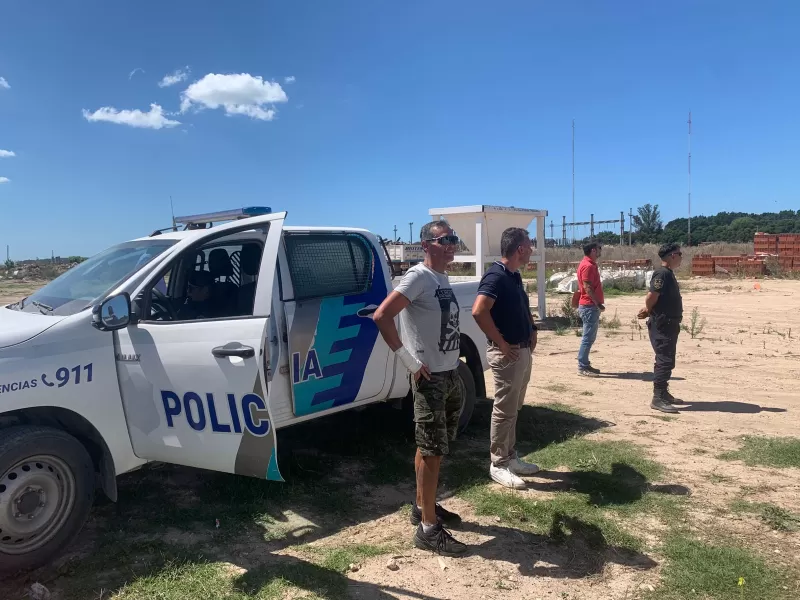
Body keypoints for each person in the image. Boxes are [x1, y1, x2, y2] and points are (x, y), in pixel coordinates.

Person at [373, 220, 467, 557]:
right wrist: (409, 361)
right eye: (444, 240)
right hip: (430, 380)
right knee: (432, 450)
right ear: (426, 245)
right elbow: (382, 316)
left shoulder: (442, 278)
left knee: (432, 448)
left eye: (454, 239)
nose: (452, 245)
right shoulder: (418, 277)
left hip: (449, 374)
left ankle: (422, 507)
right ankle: (428, 530)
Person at [472, 227, 540, 490]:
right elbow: (479, 311)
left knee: (513, 408)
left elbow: (522, 305)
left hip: (521, 351)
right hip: (508, 354)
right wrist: (501, 343)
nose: (532, 249)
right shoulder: (496, 276)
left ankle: (510, 457)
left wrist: (532, 328)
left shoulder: (514, 275)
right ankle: (498, 463)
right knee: (504, 409)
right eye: (529, 245)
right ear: (519, 249)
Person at [638, 243, 684, 414]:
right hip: (663, 324)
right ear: (672, 256)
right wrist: (648, 309)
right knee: (664, 360)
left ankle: (663, 393)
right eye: (680, 254)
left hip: (669, 323)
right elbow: (652, 295)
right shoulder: (662, 273)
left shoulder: (667, 274)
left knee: (667, 360)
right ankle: (657, 398)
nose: (681, 257)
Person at [576, 242, 605, 377]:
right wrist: (597, 303)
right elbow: (587, 287)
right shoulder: (588, 266)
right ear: (593, 250)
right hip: (589, 306)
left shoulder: (589, 264)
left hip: (589, 305)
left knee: (589, 337)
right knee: (587, 338)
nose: (601, 251)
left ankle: (585, 364)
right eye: (599, 249)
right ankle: (582, 366)